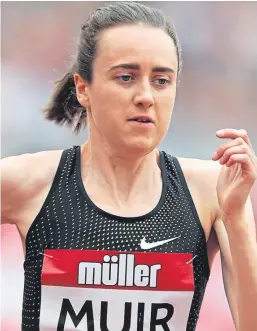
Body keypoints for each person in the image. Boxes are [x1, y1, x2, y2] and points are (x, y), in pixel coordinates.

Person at [1, 2, 257, 331]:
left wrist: (237, 217)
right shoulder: (31, 182)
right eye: (126, 77)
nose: (145, 96)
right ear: (83, 88)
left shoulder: (212, 191)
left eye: (162, 80)